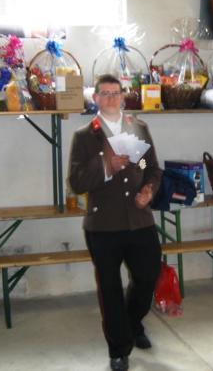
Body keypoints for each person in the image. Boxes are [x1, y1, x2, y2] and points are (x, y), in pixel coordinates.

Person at [68, 74, 162, 371]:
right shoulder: (85, 136)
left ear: (123, 96)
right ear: (95, 98)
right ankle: (119, 348)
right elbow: (76, 182)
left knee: (148, 277)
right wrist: (106, 166)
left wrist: (149, 190)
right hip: (103, 226)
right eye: (105, 93)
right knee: (110, 289)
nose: (111, 98)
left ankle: (132, 323)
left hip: (139, 220)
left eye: (115, 92)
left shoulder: (139, 128)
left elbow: (150, 167)